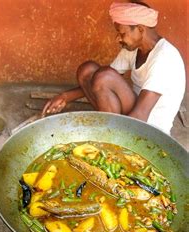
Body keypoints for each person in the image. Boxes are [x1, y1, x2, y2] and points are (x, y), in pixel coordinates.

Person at [42, 1, 185, 135]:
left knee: (104, 76)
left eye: (122, 34)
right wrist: (65, 97)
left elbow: (141, 114)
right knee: (87, 71)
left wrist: (116, 142)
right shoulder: (135, 49)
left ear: (141, 29)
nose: (118, 39)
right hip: (132, 113)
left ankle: (110, 134)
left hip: (149, 126)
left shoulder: (164, 58)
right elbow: (98, 82)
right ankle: (109, 126)